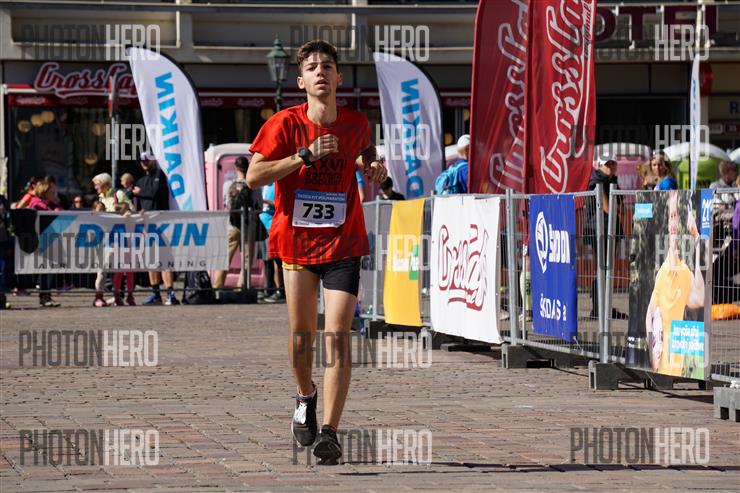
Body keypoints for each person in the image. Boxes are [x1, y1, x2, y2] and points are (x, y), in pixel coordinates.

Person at [246, 39, 387, 465]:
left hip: (343, 241)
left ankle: (330, 432)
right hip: (298, 244)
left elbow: (364, 154)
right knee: (302, 336)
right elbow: (254, 176)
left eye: (327, 65)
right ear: (301, 81)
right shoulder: (283, 124)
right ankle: (305, 394)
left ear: (339, 77)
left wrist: (372, 166)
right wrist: (303, 156)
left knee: (339, 336)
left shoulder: (357, 123)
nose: (320, 72)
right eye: (312, 67)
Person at [645, 191, 704, 374]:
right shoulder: (662, 272)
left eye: (676, 216)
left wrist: (697, 239)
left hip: (676, 369)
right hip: (661, 369)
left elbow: (699, 299)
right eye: (671, 216)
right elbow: (649, 314)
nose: (673, 223)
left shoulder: (685, 272)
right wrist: (653, 348)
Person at [133, 151, 179, 306]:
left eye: (147, 160)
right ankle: (155, 293)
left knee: (164, 259)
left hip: (162, 223)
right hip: (147, 224)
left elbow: (156, 193)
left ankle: (170, 292)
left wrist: (140, 193)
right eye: (142, 161)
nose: (144, 163)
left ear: (153, 160)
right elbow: (139, 203)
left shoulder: (160, 175)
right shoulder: (140, 180)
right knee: (151, 260)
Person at [587, 153, 627, 320]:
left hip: (609, 229)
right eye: (607, 163)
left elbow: (621, 208)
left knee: (605, 269)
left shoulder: (612, 181)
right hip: (600, 229)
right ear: (600, 165)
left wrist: (617, 207)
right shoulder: (598, 180)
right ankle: (599, 309)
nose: (610, 166)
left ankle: (603, 308)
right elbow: (609, 209)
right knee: (603, 268)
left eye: (612, 163)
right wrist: (616, 207)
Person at [214, 156, 259, 289]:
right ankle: (242, 287)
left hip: (232, 225)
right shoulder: (254, 185)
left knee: (225, 257)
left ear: (236, 168)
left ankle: (218, 286)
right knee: (246, 259)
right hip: (249, 224)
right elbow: (258, 205)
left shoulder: (228, 184)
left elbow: (225, 204)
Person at [91, 173, 132, 307]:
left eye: (97, 184)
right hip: (105, 237)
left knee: (119, 268)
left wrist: (127, 212)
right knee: (102, 268)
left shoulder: (118, 194)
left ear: (105, 183)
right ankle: (98, 297)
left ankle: (117, 296)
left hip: (119, 236)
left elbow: (130, 208)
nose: (95, 187)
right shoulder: (100, 198)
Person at [27, 181, 62, 307]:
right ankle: (44, 296)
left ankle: (46, 296)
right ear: (44, 192)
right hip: (42, 240)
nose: (53, 194)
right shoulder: (37, 203)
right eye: (51, 192)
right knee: (45, 270)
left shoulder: (46, 204)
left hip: (48, 239)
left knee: (48, 269)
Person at [259, 181, 285, 303]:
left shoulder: (276, 185)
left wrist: (264, 201)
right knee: (266, 260)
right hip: (262, 226)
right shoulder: (264, 185)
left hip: (273, 225)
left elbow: (279, 204)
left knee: (277, 260)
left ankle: (281, 290)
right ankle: (269, 289)